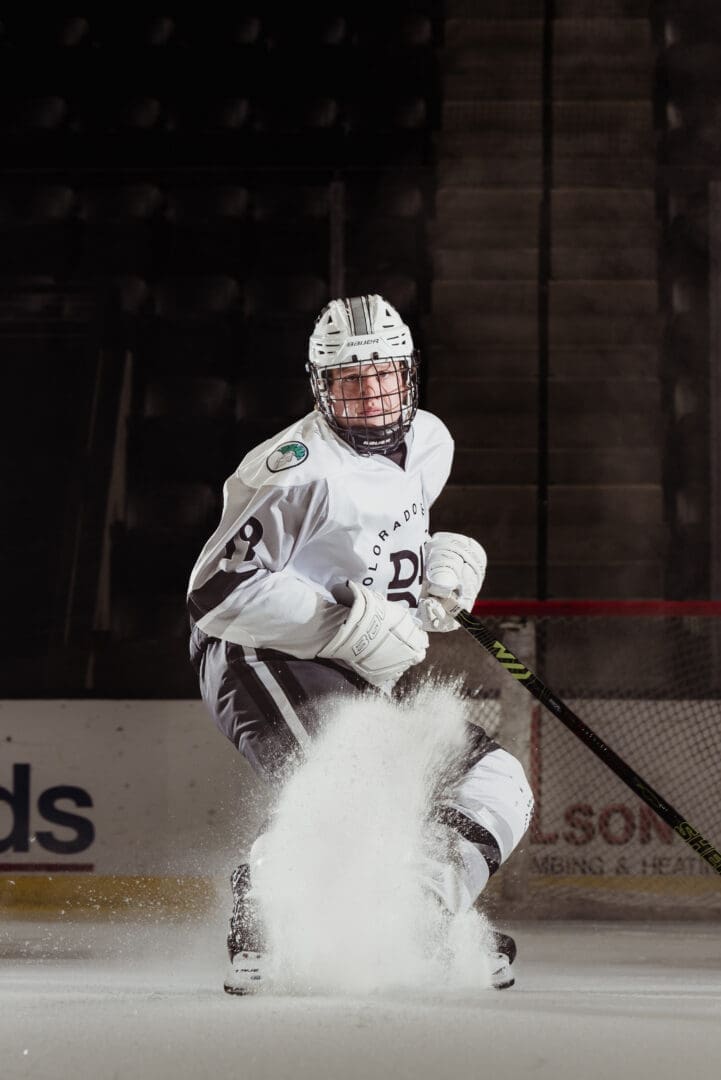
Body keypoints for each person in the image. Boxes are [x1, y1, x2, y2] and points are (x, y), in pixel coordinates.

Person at [186, 294, 534, 994]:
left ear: (407, 373)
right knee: (349, 781)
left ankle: (422, 908)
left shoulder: (429, 441)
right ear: (322, 387)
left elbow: (377, 546)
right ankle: (263, 912)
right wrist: (349, 623)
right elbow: (214, 595)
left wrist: (440, 564)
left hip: (361, 662)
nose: (370, 393)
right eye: (350, 379)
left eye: (382, 374)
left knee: (497, 782)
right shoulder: (290, 470)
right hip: (261, 655)